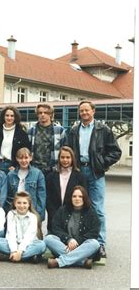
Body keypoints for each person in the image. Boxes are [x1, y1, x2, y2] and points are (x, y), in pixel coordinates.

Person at [65, 100, 121, 258]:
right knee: (77, 205)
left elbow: (116, 152)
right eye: (81, 111)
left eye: (86, 110)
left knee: (97, 209)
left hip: (95, 172)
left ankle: (101, 243)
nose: (84, 113)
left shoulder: (103, 129)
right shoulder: (74, 130)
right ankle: (81, 241)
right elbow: (68, 149)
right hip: (78, 171)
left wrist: (102, 163)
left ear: (93, 111)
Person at [45, 186, 100, 269]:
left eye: (80, 196)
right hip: (65, 245)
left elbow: (94, 232)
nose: (77, 199)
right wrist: (69, 239)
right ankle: (82, 261)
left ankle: (59, 262)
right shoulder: (63, 210)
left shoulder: (91, 212)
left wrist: (76, 241)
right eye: (74, 196)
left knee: (95, 243)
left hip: (82, 246)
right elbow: (55, 227)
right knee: (48, 238)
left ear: (84, 198)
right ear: (70, 197)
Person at [0, 191, 46, 263]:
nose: (21, 205)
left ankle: (7, 256)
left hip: (28, 245)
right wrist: (13, 250)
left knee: (42, 245)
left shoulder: (33, 217)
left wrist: (20, 251)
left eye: (24, 203)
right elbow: (11, 234)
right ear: (15, 204)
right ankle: (28, 257)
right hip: (13, 243)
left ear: (29, 204)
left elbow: (29, 236)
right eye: (19, 203)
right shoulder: (11, 214)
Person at [46, 146, 87, 232]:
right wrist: (54, 213)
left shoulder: (80, 177)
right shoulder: (51, 176)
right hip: (54, 215)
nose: (65, 160)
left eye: (68, 157)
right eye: (62, 157)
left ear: (72, 158)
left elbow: (83, 197)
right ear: (59, 158)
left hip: (73, 216)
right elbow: (48, 198)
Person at [4, 148, 46, 221]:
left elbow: (41, 196)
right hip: (16, 211)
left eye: (26, 158)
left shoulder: (38, 174)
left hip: (32, 211)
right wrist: (9, 212)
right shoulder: (11, 175)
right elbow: (8, 197)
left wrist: (38, 215)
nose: (23, 161)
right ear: (17, 159)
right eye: (21, 158)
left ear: (30, 158)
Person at [27, 103, 66, 176]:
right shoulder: (31, 131)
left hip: (53, 169)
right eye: (40, 113)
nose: (42, 115)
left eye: (45, 112)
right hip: (35, 168)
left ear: (51, 114)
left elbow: (64, 149)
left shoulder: (59, 130)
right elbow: (28, 149)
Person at [0, 105, 30, 174]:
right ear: (3, 117)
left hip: (12, 166)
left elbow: (25, 151)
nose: (9, 118)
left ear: (15, 117)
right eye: (7, 115)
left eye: (12, 116)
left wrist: (16, 166)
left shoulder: (21, 133)